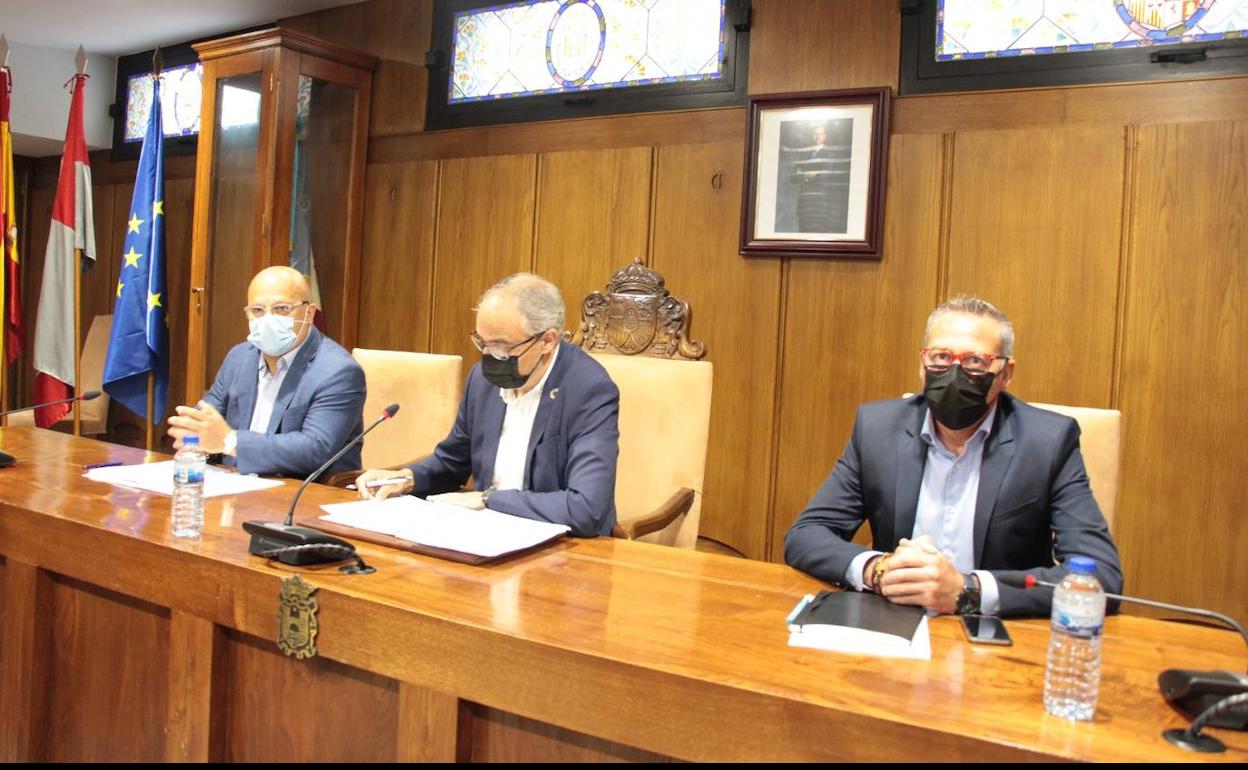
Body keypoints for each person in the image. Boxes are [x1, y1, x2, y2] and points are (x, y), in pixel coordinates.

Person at [784, 296, 1122, 617]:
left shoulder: (1047, 442)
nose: (954, 373)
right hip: (895, 621)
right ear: (923, 363)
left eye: (975, 362)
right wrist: (879, 570)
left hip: (993, 631)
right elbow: (807, 534)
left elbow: (1101, 576)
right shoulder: (878, 429)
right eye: (942, 358)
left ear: (1005, 373)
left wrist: (966, 590)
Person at [355, 273, 620, 537]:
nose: (489, 356)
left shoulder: (588, 389)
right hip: (484, 535)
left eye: (501, 347)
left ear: (547, 341)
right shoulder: (482, 380)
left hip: (562, 544)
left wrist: (488, 499)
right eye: (482, 342)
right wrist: (405, 479)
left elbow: (585, 509)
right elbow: (451, 463)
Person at [167, 265, 366, 479]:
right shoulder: (239, 358)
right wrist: (195, 435)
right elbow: (208, 423)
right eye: (258, 310)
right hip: (233, 484)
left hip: (301, 492)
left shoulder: (338, 371)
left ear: (309, 313)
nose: (268, 319)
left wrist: (230, 441)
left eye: (281, 309)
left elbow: (314, 449)